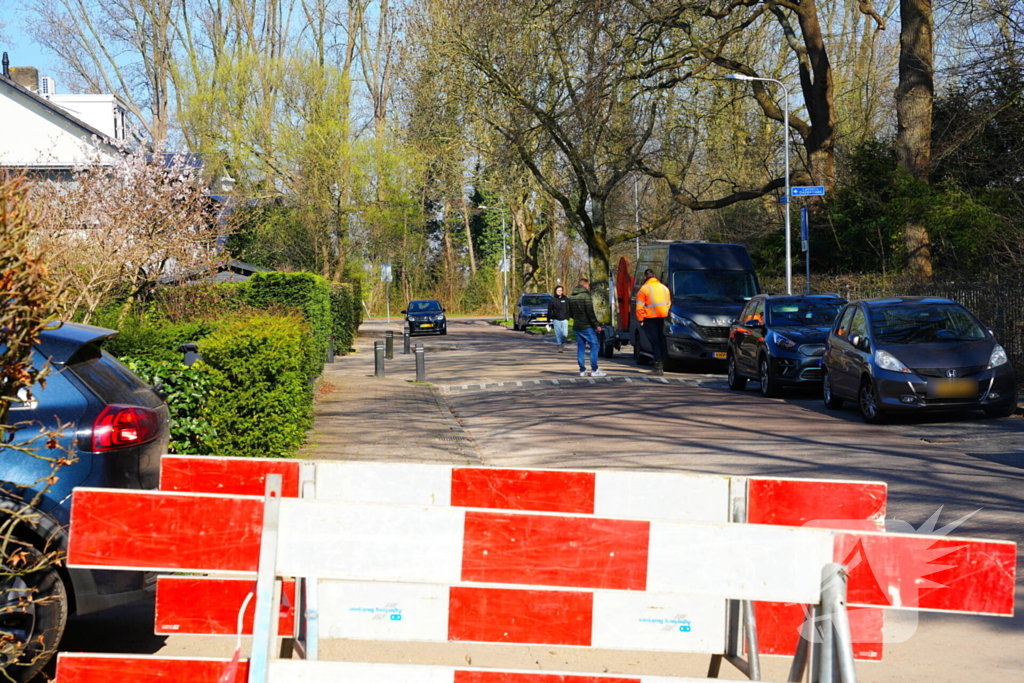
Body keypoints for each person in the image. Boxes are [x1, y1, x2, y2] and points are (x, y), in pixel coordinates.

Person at [636, 268, 671, 376]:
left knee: (655, 343)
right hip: (662, 318)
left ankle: (658, 367)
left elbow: (639, 307)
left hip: (650, 319)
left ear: (645, 277)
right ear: (655, 276)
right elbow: (668, 303)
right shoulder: (664, 288)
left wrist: (641, 320)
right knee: (660, 342)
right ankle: (660, 365)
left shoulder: (644, 289)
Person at [568, 278, 607, 377]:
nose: (588, 287)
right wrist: (596, 325)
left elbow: (570, 313)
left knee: (581, 347)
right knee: (594, 346)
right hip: (586, 326)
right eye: (588, 285)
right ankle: (594, 369)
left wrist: (577, 318)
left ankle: (582, 370)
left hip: (577, 326)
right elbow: (590, 312)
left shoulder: (571, 297)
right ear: (585, 285)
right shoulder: (586, 296)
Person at [547, 285, 570, 352]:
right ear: (555, 291)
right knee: (558, 333)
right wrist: (548, 320)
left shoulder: (566, 299)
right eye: (558, 290)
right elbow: (549, 310)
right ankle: (559, 345)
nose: (559, 292)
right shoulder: (552, 300)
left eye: (560, 290)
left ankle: (562, 342)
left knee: (565, 333)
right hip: (556, 319)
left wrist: (568, 317)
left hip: (564, 319)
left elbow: (569, 309)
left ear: (562, 291)